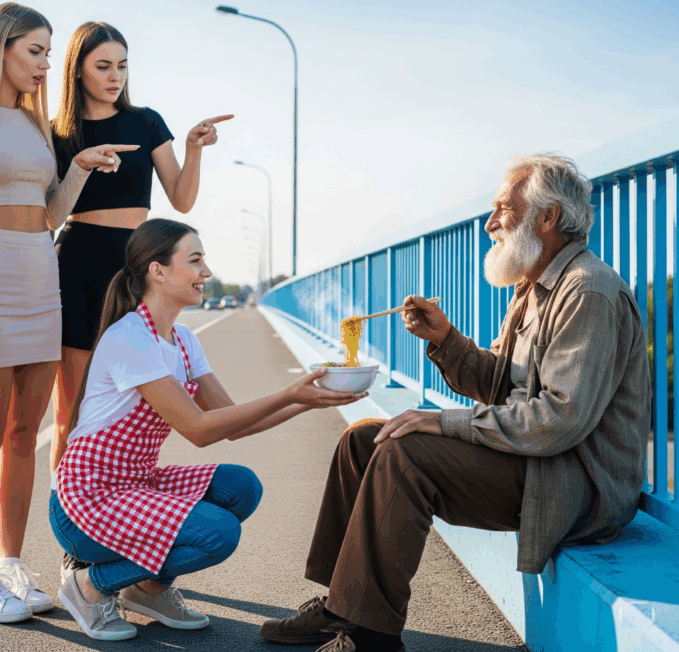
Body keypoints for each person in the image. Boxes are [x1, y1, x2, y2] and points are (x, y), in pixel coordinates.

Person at [260, 152, 651, 652]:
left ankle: (371, 635)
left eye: (503, 209)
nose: (490, 224)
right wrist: (446, 339)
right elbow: (503, 386)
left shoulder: (588, 291)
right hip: (538, 461)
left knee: (406, 451)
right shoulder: (535, 287)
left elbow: (558, 420)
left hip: (575, 484)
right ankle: (342, 604)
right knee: (364, 440)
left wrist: (443, 422)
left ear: (548, 217)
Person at [49, 218, 367, 641]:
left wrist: (306, 400)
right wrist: (289, 392)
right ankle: (89, 586)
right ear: (157, 271)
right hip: (86, 505)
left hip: (134, 485)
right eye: (195, 260)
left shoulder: (182, 340)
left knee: (241, 486)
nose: (207, 273)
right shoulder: (131, 339)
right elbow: (199, 430)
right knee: (217, 533)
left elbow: (232, 422)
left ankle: (147, 590)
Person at [0, 3, 140, 623]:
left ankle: (12, 561)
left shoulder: (37, 125)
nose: (48, 65)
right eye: (36, 51)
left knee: (26, 436)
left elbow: (49, 217)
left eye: (49, 53)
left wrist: (75, 167)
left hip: (41, 283)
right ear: (1, 48)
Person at [49, 21, 231, 487]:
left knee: (135, 398)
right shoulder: (58, 131)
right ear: (78, 71)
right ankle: (70, 534)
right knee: (73, 405)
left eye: (123, 66)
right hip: (78, 261)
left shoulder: (146, 121)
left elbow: (182, 199)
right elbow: (50, 210)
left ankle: (122, 499)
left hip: (134, 264)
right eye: (103, 66)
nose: (116, 76)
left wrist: (193, 149)